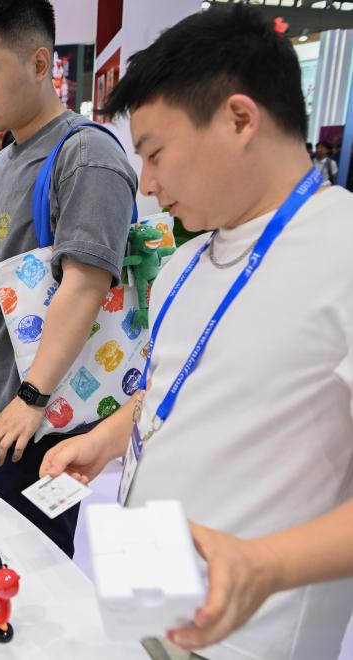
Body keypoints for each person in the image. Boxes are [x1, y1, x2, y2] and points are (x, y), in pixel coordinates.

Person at [40, 6, 353, 659]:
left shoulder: (342, 249)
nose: (148, 183)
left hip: (253, 635)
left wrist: (268, 563)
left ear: (240, 119)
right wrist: (103, 441)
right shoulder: (184, 261)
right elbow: (172, 391)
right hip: (150, 602)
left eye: (155, 153)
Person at [0, 0, 136, 557]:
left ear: (39, 63)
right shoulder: (4, 160)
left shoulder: (87, 154)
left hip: (42, 421)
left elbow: (86, 284)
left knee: (36, 571)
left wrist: (31, 398)